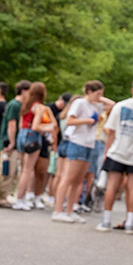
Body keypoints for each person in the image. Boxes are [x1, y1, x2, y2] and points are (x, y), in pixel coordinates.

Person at [96, 76, 133, 234]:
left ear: (132, 89)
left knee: (112, 185)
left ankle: (106, 220)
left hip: (118, 150)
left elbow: (111, 132)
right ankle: (130, 223)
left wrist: (106, 152)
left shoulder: (119, 106)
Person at [51, 80, 104, 223]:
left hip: (89, 144)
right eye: (97, 93)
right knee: (68, 177)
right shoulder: (80, 103)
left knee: (78, 180)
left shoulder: (96, 105)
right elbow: (70, 121)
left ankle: (70, 209)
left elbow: (112, 105)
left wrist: (99, 97)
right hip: (77, 142)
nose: (99, 97)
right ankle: (57, 210)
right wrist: (86, 120)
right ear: (90, 92)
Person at [13, 82, 55, 210]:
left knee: (24, 169)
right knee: (28, 170)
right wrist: (49, 127)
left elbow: (21, 125)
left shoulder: (25, 105)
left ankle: (20, 198)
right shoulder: (40, 107)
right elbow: (36, 126)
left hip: (21, 135)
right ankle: (20, 199)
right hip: (32, 137)